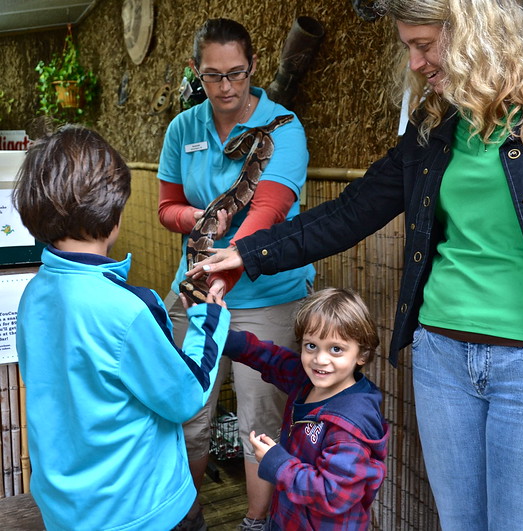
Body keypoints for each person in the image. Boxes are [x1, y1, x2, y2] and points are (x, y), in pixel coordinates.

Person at [187, 0, 523, 528]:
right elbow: (354, 209)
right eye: (409, 47)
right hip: (443, 359)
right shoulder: (436, 126)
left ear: (476, 30)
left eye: (424, 44)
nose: (417, 62)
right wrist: (248, 252)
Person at [12, 125, 230, 531]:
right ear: (114, 215)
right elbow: (184, 397)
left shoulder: (34, 293)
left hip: (67, 511)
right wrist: (208, 315)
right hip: (143, 511)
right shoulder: (128, 309)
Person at [157, 17, 315, 530]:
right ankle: (188, 517)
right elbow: (167, 207)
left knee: (260, 420)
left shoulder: (283, 125)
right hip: (198, 288)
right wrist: (198, 220)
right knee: (185, 411)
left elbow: (269, 208)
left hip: (267, 291)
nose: (226, 87)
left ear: (252, 67)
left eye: (237, 74)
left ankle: (253, 521)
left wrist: (234, 250)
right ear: (195, 73)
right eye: (212, 76)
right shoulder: (184, 128)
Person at [222, 288, 388, 530]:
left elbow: (334, 495)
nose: (320, 359)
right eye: (311, 346)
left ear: (362, 354)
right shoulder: (307, 380)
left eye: (336, 349)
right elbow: (272, 359)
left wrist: (277, 463)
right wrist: (225, 338)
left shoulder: (349, 427)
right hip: (288, 518)